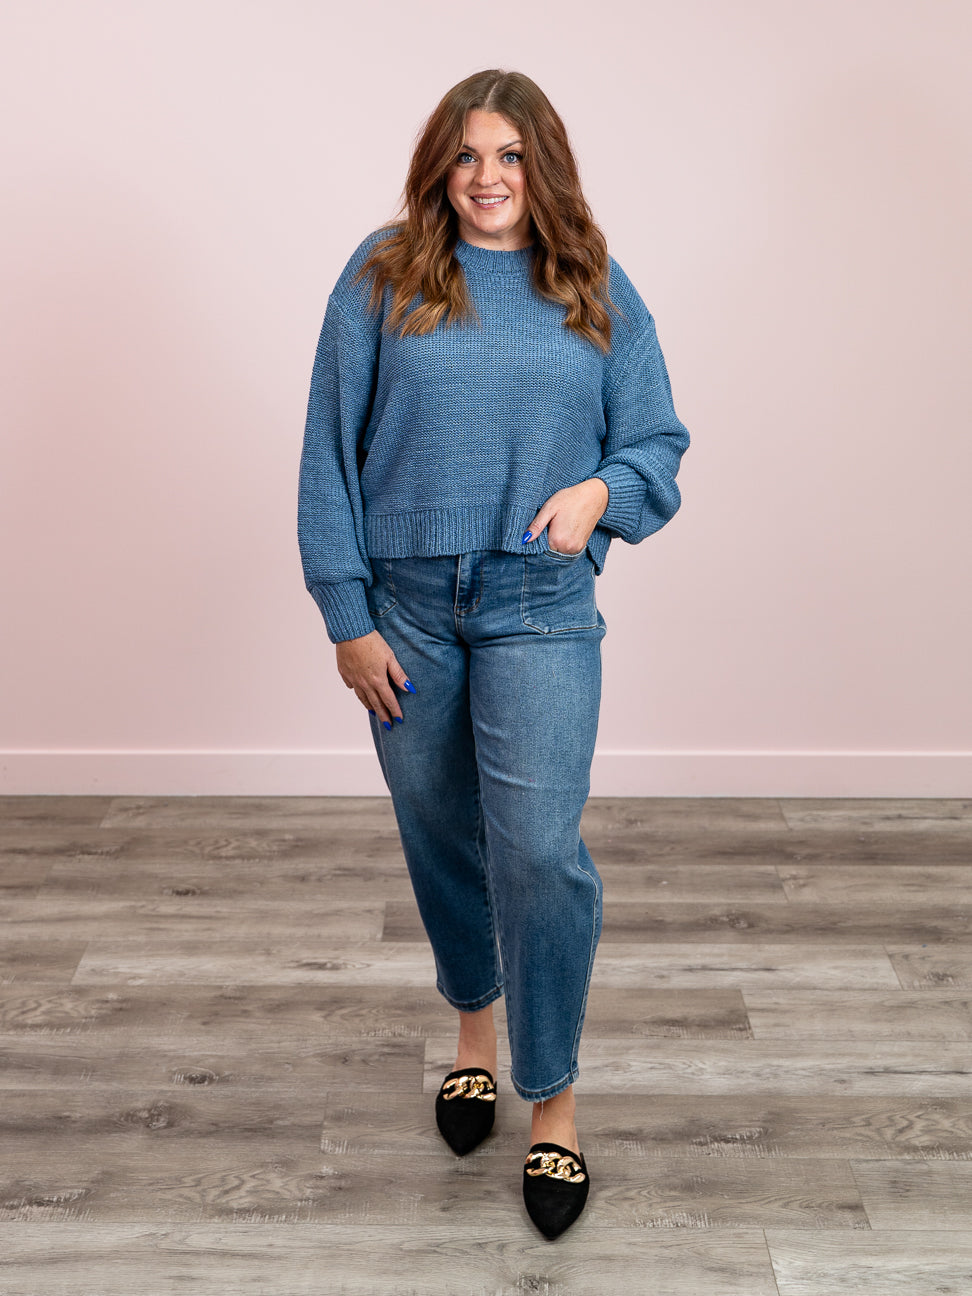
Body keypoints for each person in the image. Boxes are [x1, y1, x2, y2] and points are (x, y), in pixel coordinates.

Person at [298, 68, 690, 1239]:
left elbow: (657, 440)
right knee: (440, 831)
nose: (487, 178)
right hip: (407, 609)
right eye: (468, 155)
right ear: (441, 166)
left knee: (539, 853)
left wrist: (600, 494)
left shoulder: (592, 281)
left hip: (539, 600)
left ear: (542, 166)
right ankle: (475, 1023)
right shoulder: (383, 274)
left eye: (510, 156)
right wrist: (347, 617)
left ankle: (552, 1097)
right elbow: (326, 448)